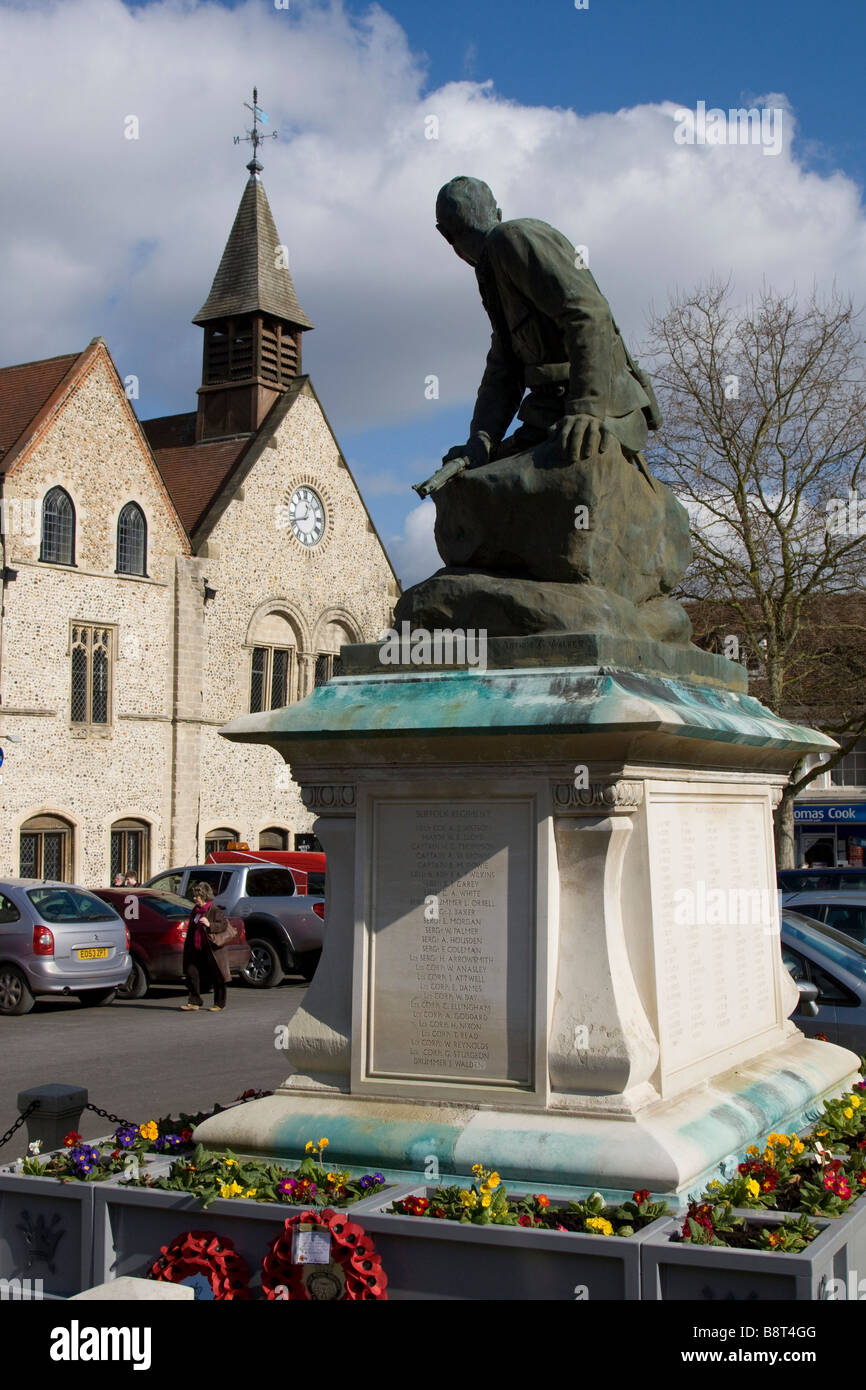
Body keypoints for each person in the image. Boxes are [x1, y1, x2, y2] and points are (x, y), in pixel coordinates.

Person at [434, 175, 661, 470]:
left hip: (600, 409)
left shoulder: (510, 239)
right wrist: (481, 441)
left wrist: (586, 409)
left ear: (445, 235)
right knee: (468, 482)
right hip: (551, 415)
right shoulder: (492, 267)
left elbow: (590, 314)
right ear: (497, 212)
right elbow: (505, 365)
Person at [181, 881, 233, 1012]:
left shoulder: (215, 911)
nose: (194, 898)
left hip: (212, 949)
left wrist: (210, 925)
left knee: (218, 975)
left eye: (196, 896)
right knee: (191, 972)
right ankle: (194, 1001)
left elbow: (223, 925)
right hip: (196, 948)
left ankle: (219, 1003)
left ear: (204, 897)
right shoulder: (195, 911)